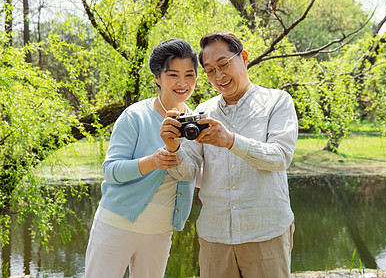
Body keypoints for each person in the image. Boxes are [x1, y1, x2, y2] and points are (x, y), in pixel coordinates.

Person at [161, 31, 298, 278]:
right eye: (210, 70)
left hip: (265, 231)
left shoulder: (277, 102)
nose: (219, 76)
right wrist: (173, 148)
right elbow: (189, 171)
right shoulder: (204, 111)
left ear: (243, 58)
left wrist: (231, 141)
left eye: (223, 64)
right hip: (215, 236)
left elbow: (280, 157)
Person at [84, 38, 198, 278]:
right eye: (173, 75)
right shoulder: (135, 116)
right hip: (116, 224)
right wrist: (153, 161)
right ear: (157, 77)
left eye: (189, 75)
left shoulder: (197, 122)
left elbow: (195, 173)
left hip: (160, 230)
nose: (182, 83)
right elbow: (111, 171)